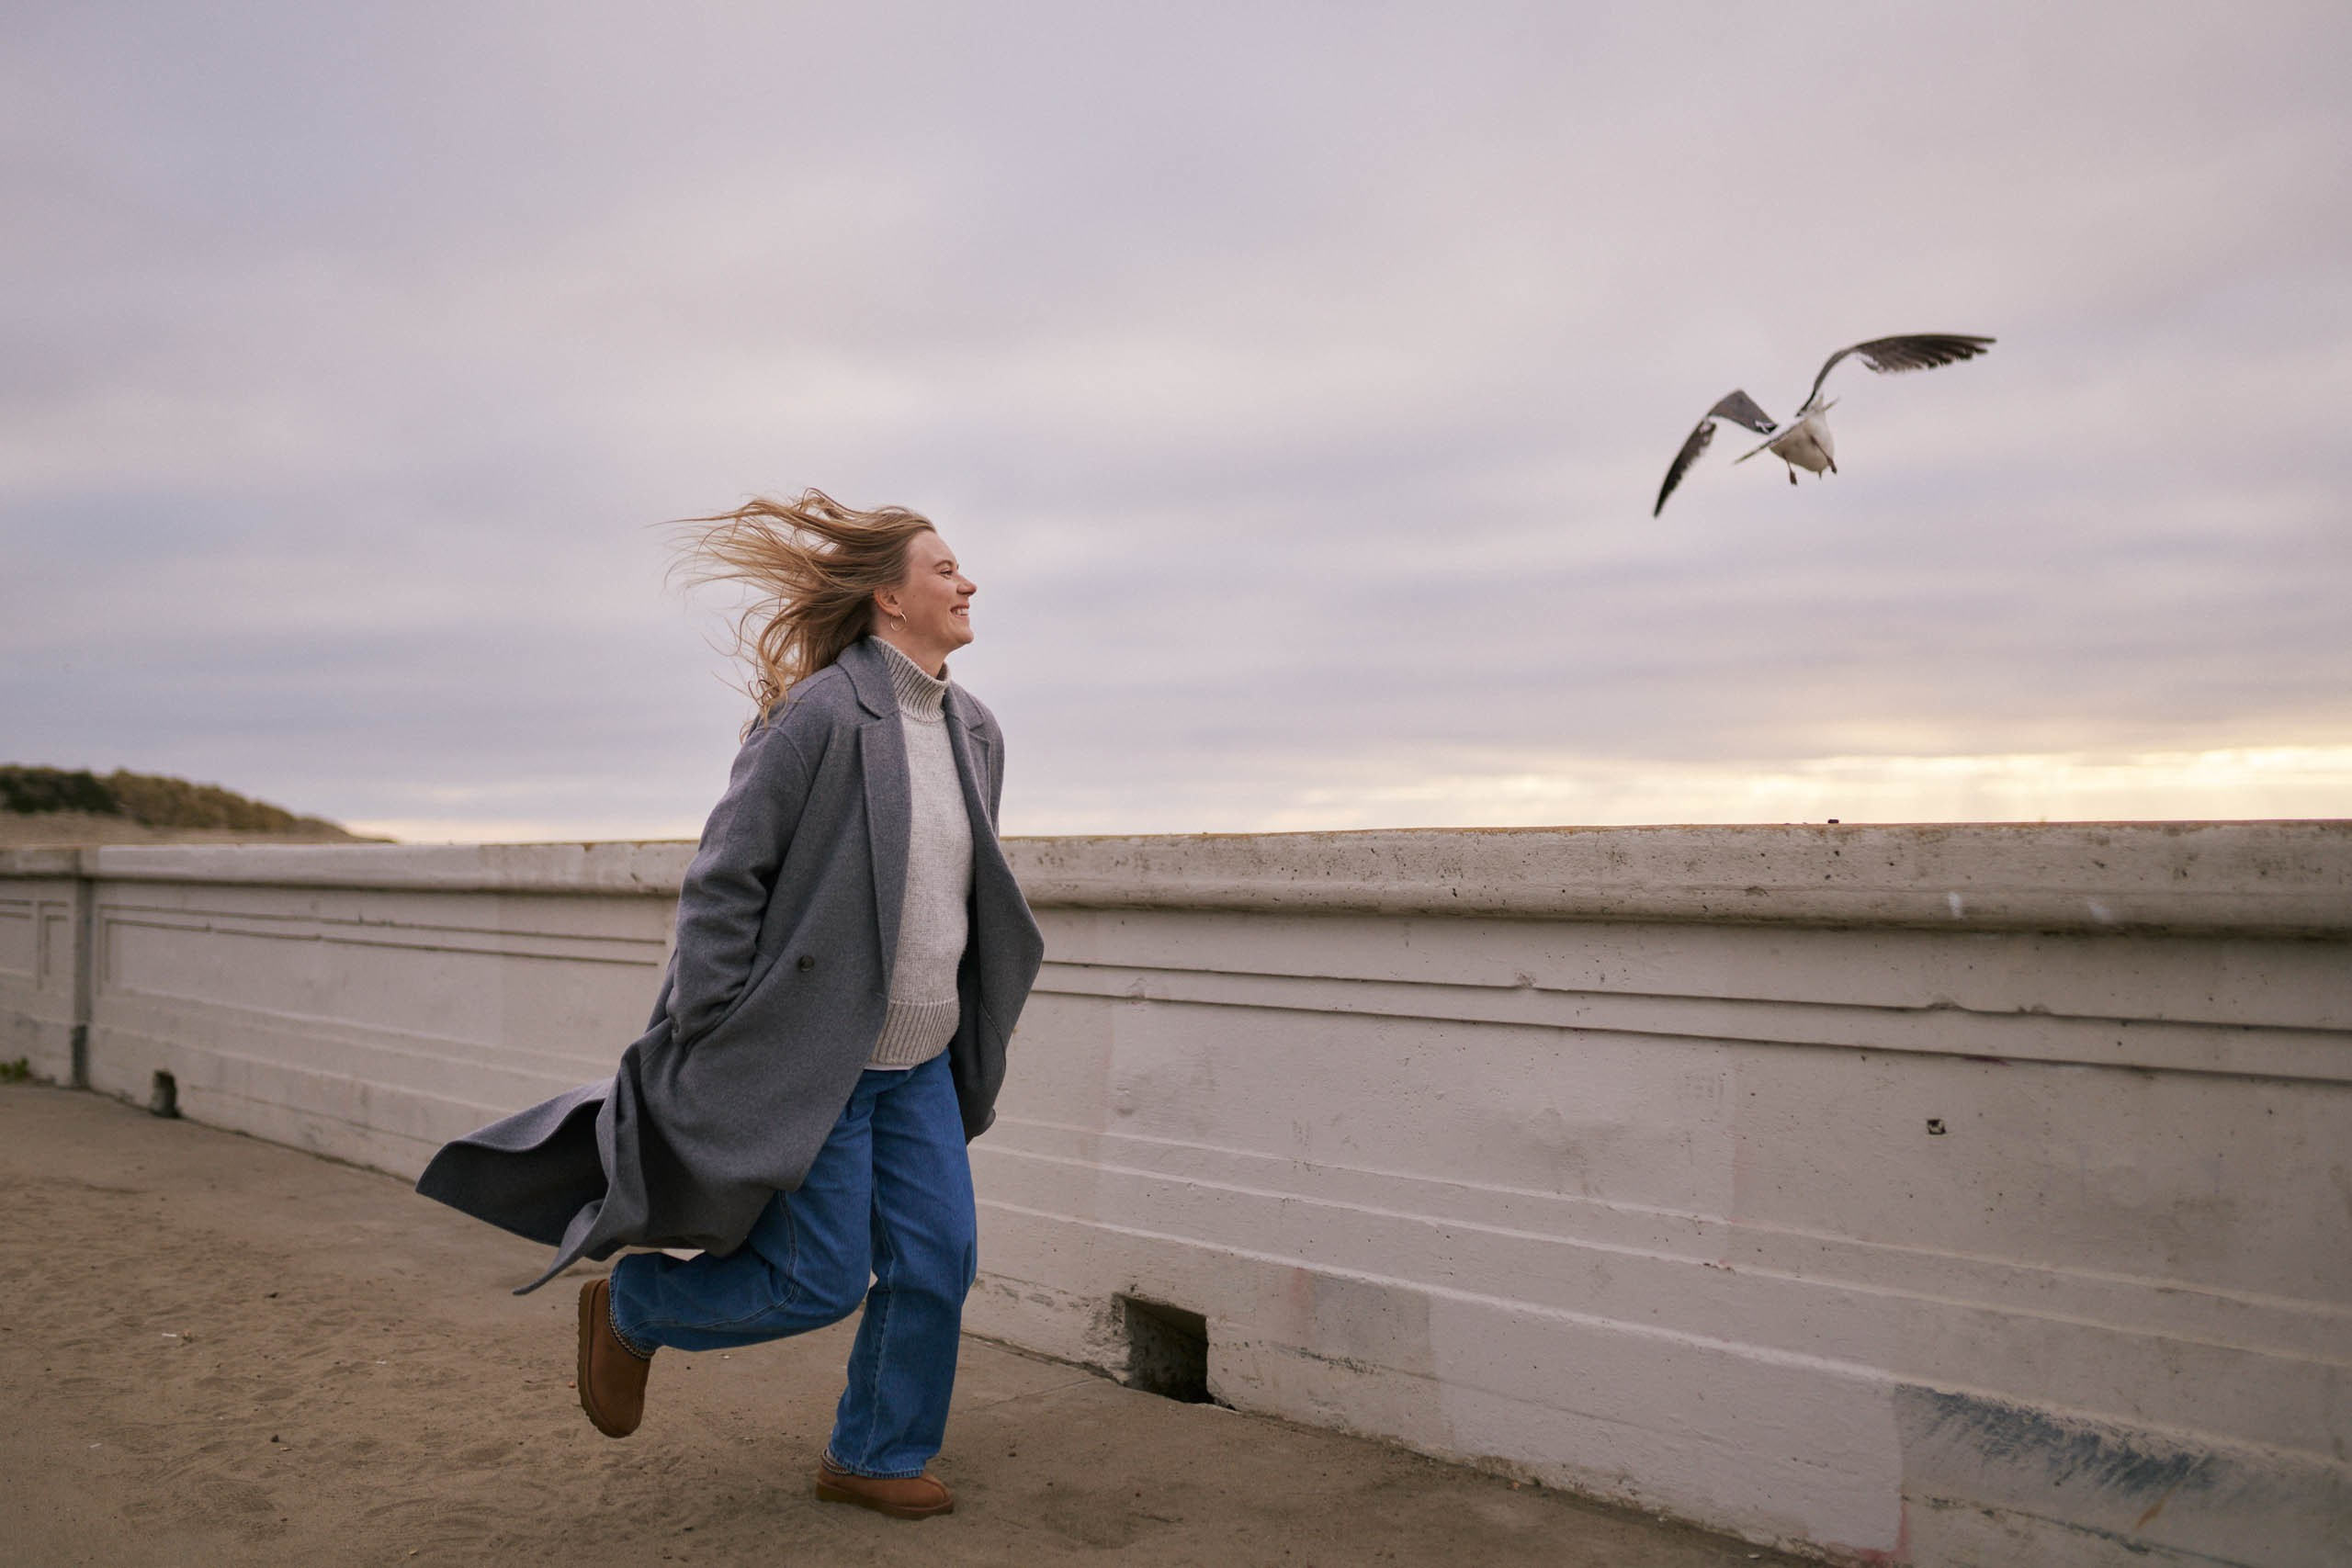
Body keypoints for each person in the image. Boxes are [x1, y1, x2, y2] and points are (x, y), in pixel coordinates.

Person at [415, 491, 1045, 1520]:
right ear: (888, 597)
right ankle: (633, 1306)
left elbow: (956, 893)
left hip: (921, 1059)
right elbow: (724, 879)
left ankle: (875, 1455)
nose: (966, 582)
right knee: (817, 1280)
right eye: (944, 569)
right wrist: (711, 1030)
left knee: (939, 1263)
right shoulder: (819, 717)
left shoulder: (975, 729)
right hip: (816, 1062)